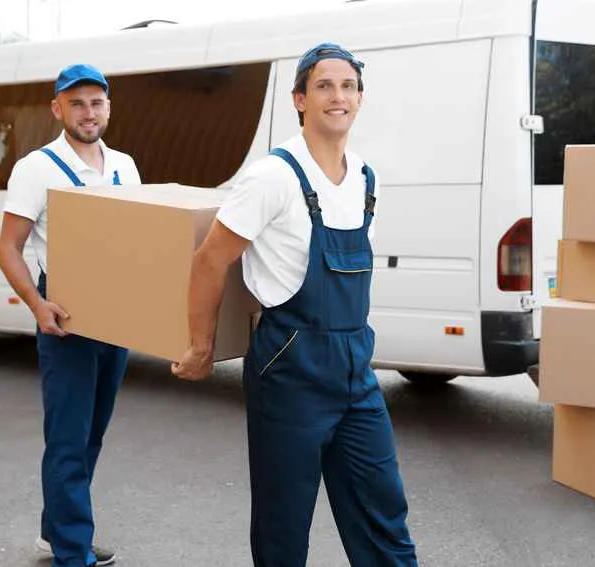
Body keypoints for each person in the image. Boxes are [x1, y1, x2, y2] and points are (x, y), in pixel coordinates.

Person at [172, 43, 419, 566]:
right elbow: (209, 261)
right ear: (300, 99)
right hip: (289, 368)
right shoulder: (272, 176)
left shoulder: (365, 178)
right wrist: (200, 347)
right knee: (284, 529)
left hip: (355, 370)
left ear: (360, 99)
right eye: (325, 86)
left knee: (385, 518)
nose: (338, 96)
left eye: (348, 86)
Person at [0, 63, 141, 567]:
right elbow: (9, 250)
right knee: (68, 437)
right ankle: (72, 552)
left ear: (108, 106)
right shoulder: (36, 167)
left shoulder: (124, 166)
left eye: (96, 102)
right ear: (57, 108)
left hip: (118, 313)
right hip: (65, 312)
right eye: (76, 103)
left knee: (92, 432)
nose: (88, 112)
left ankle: (56, 532)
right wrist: (38, 307)